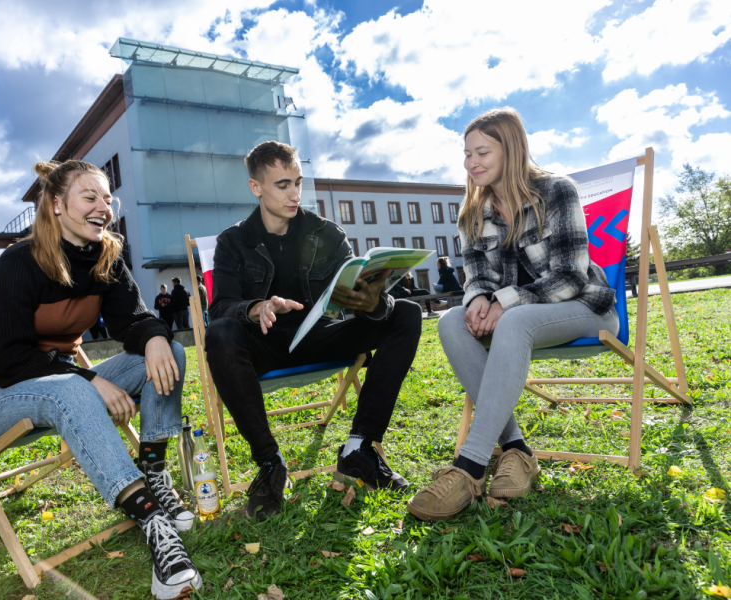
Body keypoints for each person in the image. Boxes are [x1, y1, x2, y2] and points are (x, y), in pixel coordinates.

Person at [0, 160, 201, 599]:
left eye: (107, 199)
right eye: (90, 197)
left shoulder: (105, 256)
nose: (103, 208)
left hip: (63, 381)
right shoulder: (18, 263)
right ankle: (154, 522)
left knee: (172, 352)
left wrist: (154, 338)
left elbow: (134, 319)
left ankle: (153, 473)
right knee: (72, 387)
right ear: (56, 204)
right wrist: (88, 379)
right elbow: (9, 362)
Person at [406, 108, 618, 522]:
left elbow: (571, 276)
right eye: (467, 154)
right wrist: (477, 300)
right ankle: (518, 451)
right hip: (516, 318)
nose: (471, 163)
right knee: (451, 321)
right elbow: (477, 277)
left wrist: (505, 302)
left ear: (511, 149)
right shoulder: (472, 211)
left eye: (482, 152)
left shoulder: (557, 191)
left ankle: (470, 466)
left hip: (583, 307)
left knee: (516, 319)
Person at [206, 141, 422, 521]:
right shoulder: (233, 242)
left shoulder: (327, 234)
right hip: (265, 345)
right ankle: (270, 464)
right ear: (256, 187)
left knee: (405, 312)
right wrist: (257, 308)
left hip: (320, 337)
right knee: (220, 332)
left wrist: (372, 302)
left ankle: (358, 449)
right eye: (283, 185)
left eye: (298, 183)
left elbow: (356, 289)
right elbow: (221, 307)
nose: (295, 194)